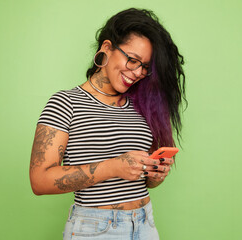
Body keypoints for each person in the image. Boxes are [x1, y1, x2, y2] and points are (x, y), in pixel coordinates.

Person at [29, 8, 185, 240]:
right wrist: (114, 167)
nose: (137, 72)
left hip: (145, 224)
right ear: (106, 48)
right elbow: (39, 181)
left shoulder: (139, 105)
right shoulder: (66, 103)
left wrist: (155, 174)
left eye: (145, 67)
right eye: (132, 60)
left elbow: (143, 181)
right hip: (96, 229)